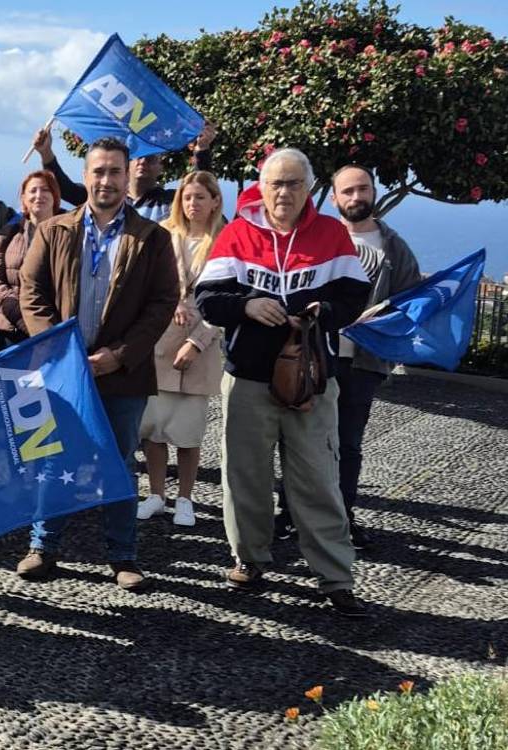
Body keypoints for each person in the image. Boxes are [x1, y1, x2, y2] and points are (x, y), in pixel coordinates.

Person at [195, 147, 371, 618]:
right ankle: (248, 560)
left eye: (294, 184)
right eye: (276, 183)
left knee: (317, 478)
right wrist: (247, 306)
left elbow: (355, 295)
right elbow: (208, 299)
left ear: (308, 189)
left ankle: (335, 577)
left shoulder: (331, 234)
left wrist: (323, 313)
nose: (284, 193)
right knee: (245, 476)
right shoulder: (237, 233)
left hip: (312, 379)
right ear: (262, 187)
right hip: (249, 378)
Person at [14, 136, 179, 592]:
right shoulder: (54, 230)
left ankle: (123, 556)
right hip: (62, 371)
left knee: (120, 463)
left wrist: (120, 355)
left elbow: (163, 304)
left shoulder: (152, 237)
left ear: (128, 178)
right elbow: (32, 293)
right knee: (53, 458)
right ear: (85, 176)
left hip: (123, 374)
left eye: (115, 172)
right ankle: (43, 547)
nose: (106, 180)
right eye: (99, 171)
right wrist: (60, 351)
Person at [314, 164, 421, 549]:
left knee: (348, 443)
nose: (356, 197)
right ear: (334, 197)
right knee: (301, 439)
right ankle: (290, 514)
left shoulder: (392, 245)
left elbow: (411, 300)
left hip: (362, 362)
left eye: (364, 189)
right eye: (348, 191)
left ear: (374, 192)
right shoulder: (318, 238)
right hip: (314, 355)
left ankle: (341, 516)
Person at [136, 171, 226, 528]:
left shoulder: (224, 240)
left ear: (215, 201)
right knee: (153, 428)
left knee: (189, 432)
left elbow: (228, 303)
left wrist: (197, 341)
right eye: (188, 197)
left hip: (200, 346)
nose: (193, 204)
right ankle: (156, 493)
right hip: (160, 344)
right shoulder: (162, 234)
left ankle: (185, 498)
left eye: (200, 197)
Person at [31, 123, 217, 221]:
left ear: (161, 168)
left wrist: (202, 150)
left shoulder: (171, 202)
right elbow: (66, 190)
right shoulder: (106, 198)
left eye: (151, 158)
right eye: (139, 156)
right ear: (127, 166)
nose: (143, 161)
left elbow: (200, 189)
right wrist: (46, 153)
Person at [0, 170, 60, 350]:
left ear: (55, 196)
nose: (39, 195)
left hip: (53, 332)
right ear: (23, 198)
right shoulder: (8, 234)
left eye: (45, 190)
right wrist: (24, 319)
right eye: (33, 191)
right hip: (12, 331)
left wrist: (44, 325)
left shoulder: (69, 235)